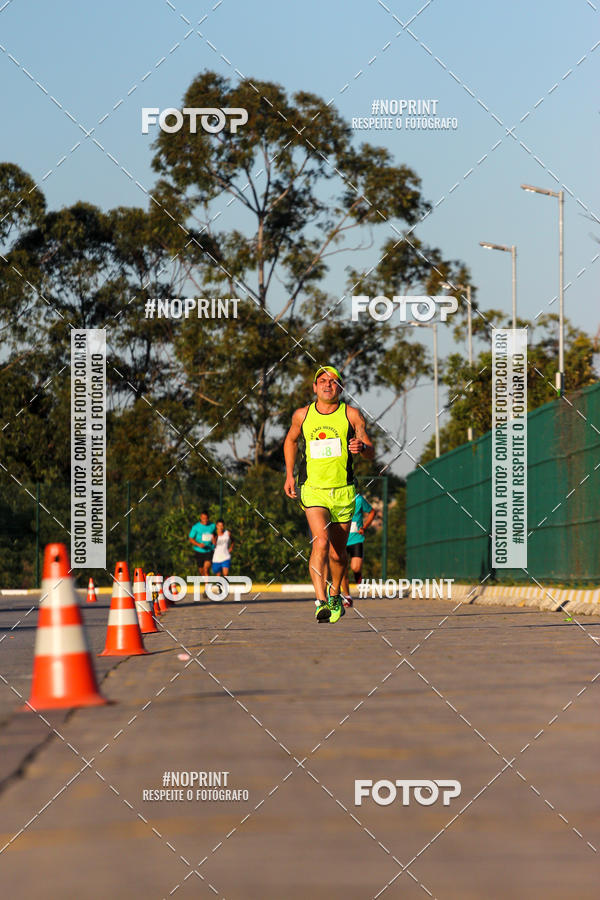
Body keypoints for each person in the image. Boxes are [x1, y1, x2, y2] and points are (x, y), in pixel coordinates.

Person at [284, 365, 374, 624]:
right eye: (322, 381)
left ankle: (336, 593)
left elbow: (369, 449)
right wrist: (289, 475)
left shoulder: (351, 415)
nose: (327, 385)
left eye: (333, 381)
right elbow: (290, 441)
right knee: (320, 542)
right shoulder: (303, 415)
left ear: (340, 387)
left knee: (338, 554)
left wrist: (362, 447)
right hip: (312, 490)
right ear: (314, 387)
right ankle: (320, 601)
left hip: (344, 492)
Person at [341, 492, 376, 607]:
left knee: (355, 567)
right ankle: (347, 597)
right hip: (341, 540)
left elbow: (372, 512)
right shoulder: (337, 498)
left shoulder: (359, 499)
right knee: (342, 570)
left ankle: (358, 575)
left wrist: (364, 527)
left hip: (356, 539)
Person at [189, 511, 216, 577]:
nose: (205, 520)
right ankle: (206, 582)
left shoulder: (212, 526)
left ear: (208, 518)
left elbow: (216, 534)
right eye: (203, 518)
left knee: (206, 569)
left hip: (209, 550)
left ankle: (207, 586)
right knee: (201, 571)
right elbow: (191, 539)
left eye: (206, 518)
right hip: (199, 551)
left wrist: (214, 539)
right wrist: (198, 544)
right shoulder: (196, 527)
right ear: (201, 518)